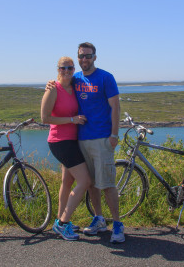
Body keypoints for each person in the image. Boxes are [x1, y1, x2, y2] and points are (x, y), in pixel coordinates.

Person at [73, 42, 124, 243]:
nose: (84, 59)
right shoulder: (75, 78)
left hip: (102, 139)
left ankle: (118, 225)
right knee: (92, 184)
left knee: (108, 184)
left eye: (88, 56)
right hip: (82, 139)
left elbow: (115, 107)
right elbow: (63, 90)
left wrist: (114, 135)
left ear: (95, 57)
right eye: (81, 56)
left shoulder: (105, 77)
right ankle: (99, 219)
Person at [41, 56, 91, 241]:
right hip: (60, 141)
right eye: (63, 68)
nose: (67, 71)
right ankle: (63, 224)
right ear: (58, 69)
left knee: (67, 183)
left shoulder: (75, 85)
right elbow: (45, 118)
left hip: (72, 140)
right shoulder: (53, 89)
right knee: (85, 181)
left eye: (70, 68)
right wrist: (72, 120)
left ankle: (59, 220)